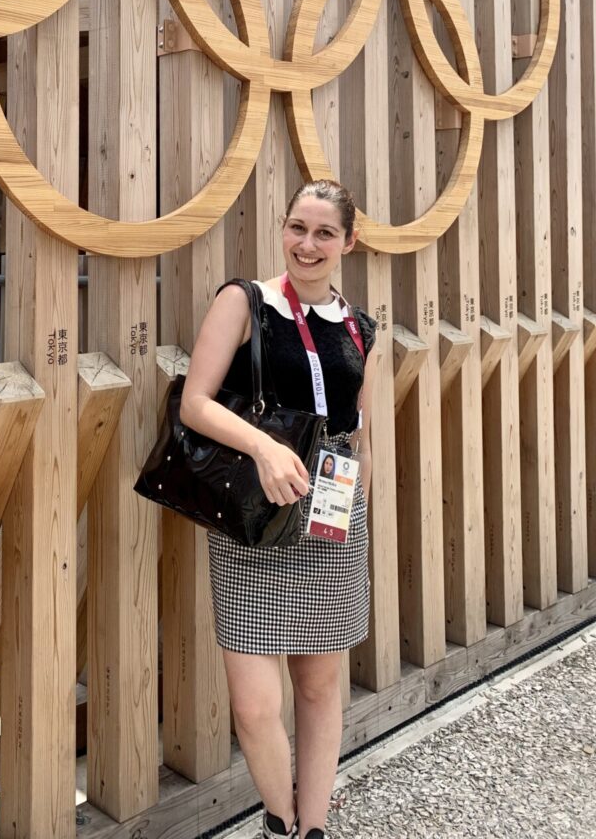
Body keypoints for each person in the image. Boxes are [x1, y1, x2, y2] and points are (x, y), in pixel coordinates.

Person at [180, 178, 378, 839]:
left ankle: (313, 827)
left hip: (331, 514)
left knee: (320, 688)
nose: (308, 243)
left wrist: (356, 511)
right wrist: (264, 448)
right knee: (256, 703)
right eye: (298, 226)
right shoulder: (246, 302)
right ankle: (281, 817)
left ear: (348, 241)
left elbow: (360, 428)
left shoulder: (360, 327)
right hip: (252, 518)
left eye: (324, 232)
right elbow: (195, 403)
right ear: (283, 228)